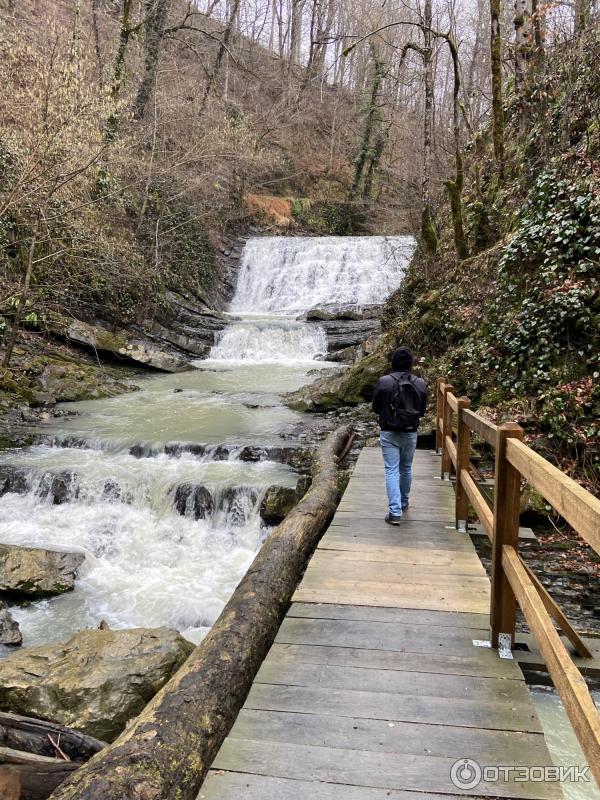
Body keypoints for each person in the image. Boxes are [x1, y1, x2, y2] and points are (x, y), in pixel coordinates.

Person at [371, 346, 427, 525]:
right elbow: (422, 411)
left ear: (393, 362)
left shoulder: (384, 381)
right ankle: (403, 502)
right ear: (411, 364)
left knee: (391, 470)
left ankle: (395, 512)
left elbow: (375, 407)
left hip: (389, 431)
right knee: (406, 468)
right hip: (410, 431)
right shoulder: (420, 383)